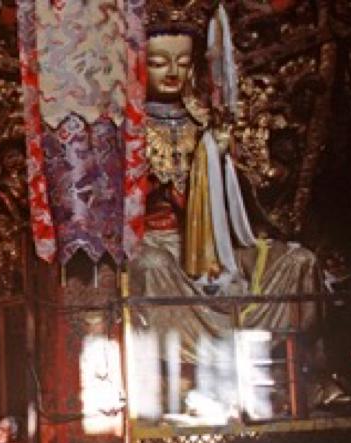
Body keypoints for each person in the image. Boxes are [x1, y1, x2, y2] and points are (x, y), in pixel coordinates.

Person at [128, 8, 321, 363]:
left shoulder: (205, 120)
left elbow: (243, 199)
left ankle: (288, 363)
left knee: (298, 260)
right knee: (153, 266)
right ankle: (188, 366)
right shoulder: (127, 128)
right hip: (157, 244)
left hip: (216, 245)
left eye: (182, 62)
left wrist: (221, 157)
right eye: (159, 62)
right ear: (139, 63)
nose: (173, 72)